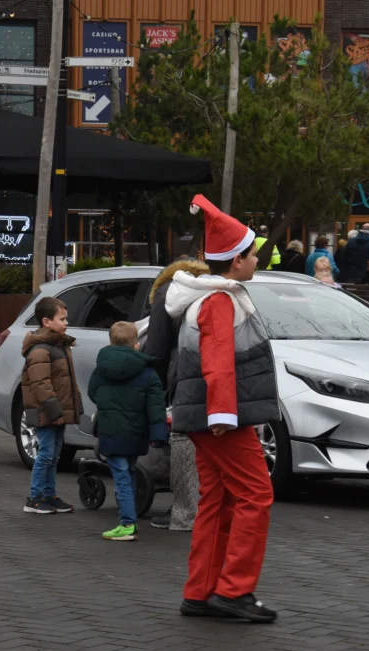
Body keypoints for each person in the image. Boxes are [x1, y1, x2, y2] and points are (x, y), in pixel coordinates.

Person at [166, 194, 279, 623]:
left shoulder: (209, 298)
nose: (257, 259)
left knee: (218, 498)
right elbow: (218, 362)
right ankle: (233, 590)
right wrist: (222, 416)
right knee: (256, 494)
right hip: (221, 418)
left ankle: (202, 591)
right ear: (236, 260)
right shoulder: (220, 301)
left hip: (209, 415)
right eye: (253, 253)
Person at [142, 256, 209, 532]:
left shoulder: (167, 294)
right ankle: (210, 508)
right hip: (215, 374)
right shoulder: (212, 291)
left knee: (183, 440)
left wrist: (155, 390)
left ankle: (185, 511)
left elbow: (157, 348)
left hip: (183, 377)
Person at [88, 321, 169, 541]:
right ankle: (129, 517)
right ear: (136, 344)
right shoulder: (148, 373)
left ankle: (127, 523)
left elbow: (93, 393)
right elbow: (156, 407)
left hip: (110, 430)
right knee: (129, 472)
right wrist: (158, 435)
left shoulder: (101, 369)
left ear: (110, 342)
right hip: (136, 432)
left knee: (121, 476)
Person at [21, 297, 83, 514]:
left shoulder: (59, 345)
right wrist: (54, 411)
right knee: (46, 454)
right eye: (62, 319)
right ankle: (35, 497)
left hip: (56, 411)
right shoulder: (41, 350)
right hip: (47, 412)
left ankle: (49, 494)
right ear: (47, 322)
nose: (67, 323)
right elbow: (41, 384)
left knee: (54, 455)